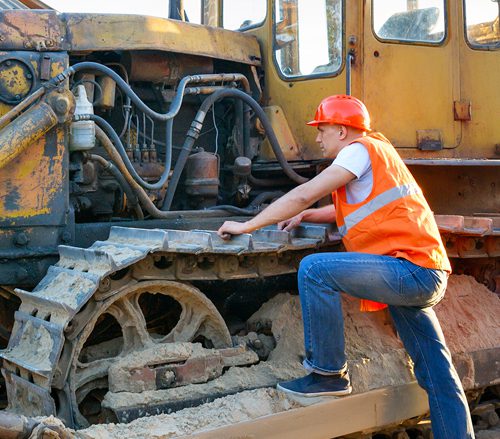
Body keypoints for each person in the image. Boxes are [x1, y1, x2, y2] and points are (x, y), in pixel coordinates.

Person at [217, 95, 474, 438]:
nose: (318, 138)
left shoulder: (358, 149)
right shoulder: (375, 154)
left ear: (341, 130)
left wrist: (247, 225)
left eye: (322, 130)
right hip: (423, 271)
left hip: (409, 271)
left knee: (315, 270)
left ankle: (328, 374)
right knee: (437, 373)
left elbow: (305, 192)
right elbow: (357, 208)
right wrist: (309, 215)